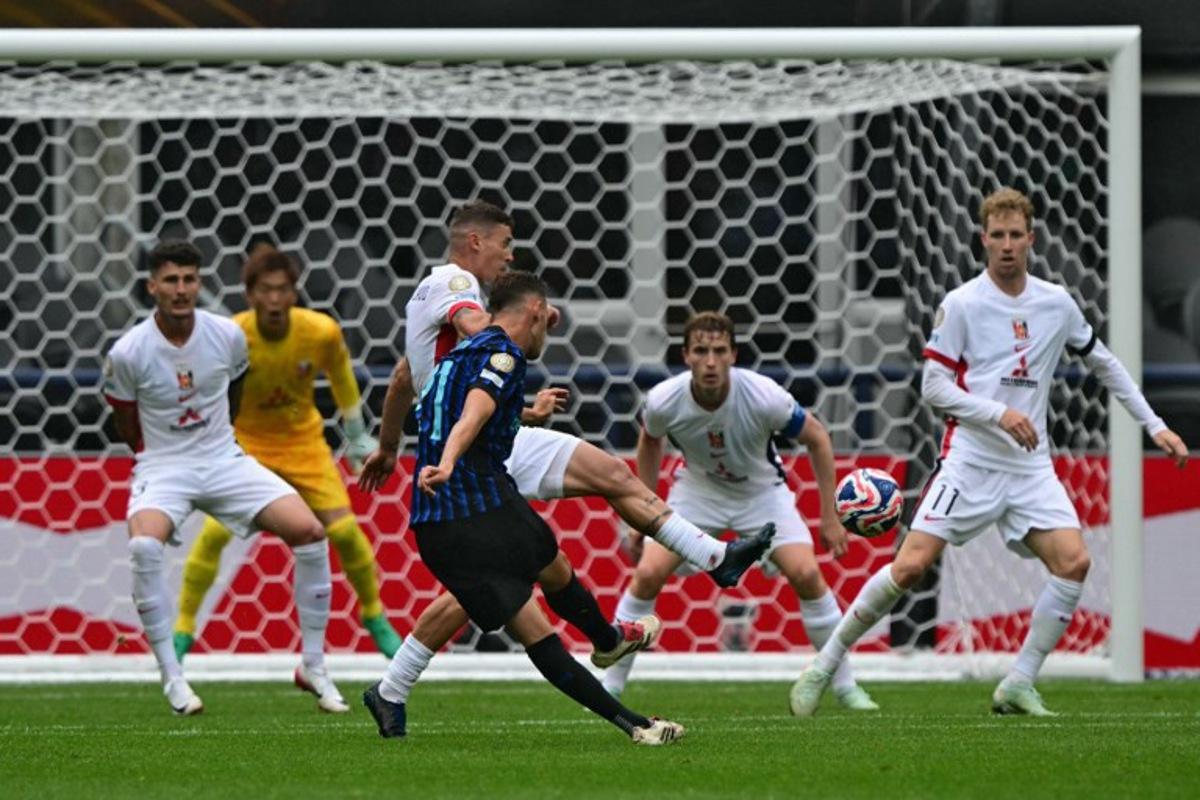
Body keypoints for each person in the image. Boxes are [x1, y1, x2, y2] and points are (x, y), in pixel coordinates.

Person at [355, 200, 773, 728]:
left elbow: (405, 379)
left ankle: (392, 689)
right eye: (505, 245)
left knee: (513, 561)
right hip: (477, 452)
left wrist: (391, 448)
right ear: (476, 242)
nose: (509, 257)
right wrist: (528, 312)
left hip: (483, 438)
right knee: (533, 552)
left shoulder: (427, 306)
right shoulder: (455, 284)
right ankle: (688, 580)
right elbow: (481, 330)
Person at [789, 188, 1190, 718]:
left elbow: (1105, 364)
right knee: (910, 568)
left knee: (1074, 562)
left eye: (1015, 235)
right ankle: (825, 663)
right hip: (970, 463)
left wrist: (1154, 425)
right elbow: (933, 387)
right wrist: (997, 413)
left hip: (1029, 469)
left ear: (1031, 238)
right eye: (996, 236)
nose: (1006, 245)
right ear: (983, 240)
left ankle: (1018, 682)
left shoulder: (1056, 302)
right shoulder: (962, 304)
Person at [362, 271, 684, 745]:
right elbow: (475, 410)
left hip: (436, 522)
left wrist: (526, 414)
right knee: (547, 594)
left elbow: (454, 408)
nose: (544, 335)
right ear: (534, 311)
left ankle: (625, 696)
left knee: (542, 593)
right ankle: (617, 666)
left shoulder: (454, 357)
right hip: (477, 509)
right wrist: (449, 462)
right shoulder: (504, 352)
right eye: (546, 324)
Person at [103, 240, 347, 716]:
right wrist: (156, 456)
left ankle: (313, 666)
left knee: (311, 532)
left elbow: (234, 393)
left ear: (200, 283)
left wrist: (221, 445)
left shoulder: (226, 335)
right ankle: (173, 677)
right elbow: (125, 421)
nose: (181, 290)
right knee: (143, 546)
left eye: (189, 279)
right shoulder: (129, 352)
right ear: (152, 286)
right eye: (170, 280)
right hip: (164, 465)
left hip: (223, 458)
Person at [600, 312, 877, 710]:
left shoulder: (764, 396)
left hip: (761, 493)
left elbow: (817, 436)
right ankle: (611, 687)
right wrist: (642, 513)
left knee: (806, 572)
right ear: (686, 356)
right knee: (646, 573)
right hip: (698, 492)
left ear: (733, 355)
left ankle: (845, 686)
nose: (710, 361)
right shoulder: (663, 399)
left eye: (718, 351)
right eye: (701, 351)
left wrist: (830, 516)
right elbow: (650, 440)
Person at [171, 246, 402, 661]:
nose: (275, 299)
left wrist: (355, 434)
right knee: (213, 536)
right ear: (250, 295)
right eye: (265, 290)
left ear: (294, 294)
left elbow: (342, 378)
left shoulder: (321, 332)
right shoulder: (230, 337)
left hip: (304, 447)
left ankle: (374, 615)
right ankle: (183, 631)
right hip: (248, 448)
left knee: (346, 533)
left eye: (282, 290)